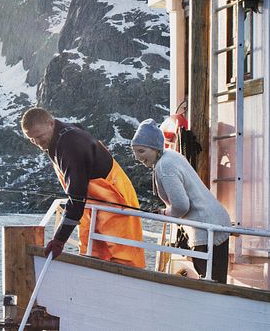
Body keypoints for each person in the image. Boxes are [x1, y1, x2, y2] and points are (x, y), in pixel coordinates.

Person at [21, 108, 145, 268]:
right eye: (31, 139)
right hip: (94, 205)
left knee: (124, 256)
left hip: (115, 199)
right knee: (93, 254)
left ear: (51, 123)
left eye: (38, 136)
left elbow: (77, 197)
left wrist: (59, 239)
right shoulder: (61, 134)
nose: (36, 142)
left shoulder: (69, 145)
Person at [131, 119, 232, 283]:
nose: (137, 157)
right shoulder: (171, 156)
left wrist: (165, 213)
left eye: (141, 151)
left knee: (212, 285)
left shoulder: (165, 166)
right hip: (215, 223)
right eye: (134, 152)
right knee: (214, 281)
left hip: (207, 230)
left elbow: (181, 205)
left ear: (155, 148)